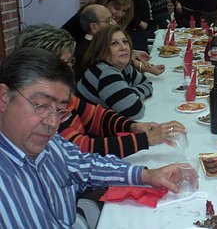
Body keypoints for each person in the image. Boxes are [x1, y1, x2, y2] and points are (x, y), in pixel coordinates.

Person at [0, 47, 188, 227]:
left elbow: (85, 164)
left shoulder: (50, 143)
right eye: (40, 106)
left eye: (60, 111)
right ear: (4, 97)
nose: (52, 123)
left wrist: (147, 175)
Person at [14, 25, 183, 158]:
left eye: (69, 62)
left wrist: (133, 126)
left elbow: (96, 117)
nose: (69, 70)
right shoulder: (34, 108)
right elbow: (79, 149)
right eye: (61, 64)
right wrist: (145, 140)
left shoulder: (62, 94)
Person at [77, 25, 153, 120]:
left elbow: (147, 84)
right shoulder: (105, 73)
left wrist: (129, 93)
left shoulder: (125, 67)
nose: (123, 47)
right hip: (91, 132)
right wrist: (128, 96)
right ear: (101, 49)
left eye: (125, 41)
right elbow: (135, 112)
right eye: (114, 43)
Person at [77, 5, 164, 79]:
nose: (114, 23)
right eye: (108, 21)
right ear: (94, 27)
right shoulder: (89, 53)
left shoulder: (96, 44)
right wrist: (139, 65)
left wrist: (133, 54)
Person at [62, 0, 134, 44]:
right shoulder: (88, 17)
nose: (120, 14)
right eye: (117, 8)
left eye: (124, 10)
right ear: (105, 1)